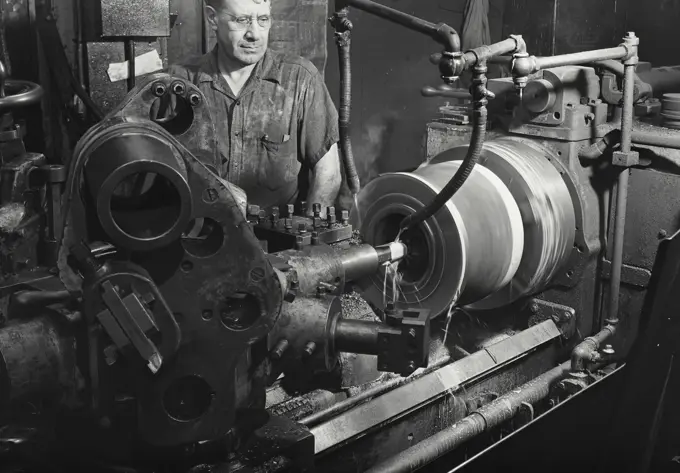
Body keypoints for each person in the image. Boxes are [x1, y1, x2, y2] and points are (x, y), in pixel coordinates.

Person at [168, 0, 342, 217]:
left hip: (278, 245)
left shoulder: (300, 79)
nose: (255, 34)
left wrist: (308, 237)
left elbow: (328, 173)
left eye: (263, 20)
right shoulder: (180, 84)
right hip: (201, 241)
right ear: (212, 18)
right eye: (241, 20)